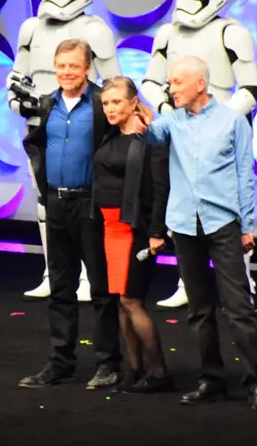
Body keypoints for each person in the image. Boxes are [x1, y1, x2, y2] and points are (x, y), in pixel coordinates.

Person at [134, 54, 257, 412]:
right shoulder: (172, 121)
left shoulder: (232, 121)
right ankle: (211, 379)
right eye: (170, 82)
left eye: (177, 82)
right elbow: (152, 134)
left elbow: (244, 175)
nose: (171, 88)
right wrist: (142, 123)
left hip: (222, 224)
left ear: (200, 83)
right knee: (199, 309)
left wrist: (247, 226)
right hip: (184, 224)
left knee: (238, 307)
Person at [18, 38, 122, 390]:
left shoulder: (101, 103)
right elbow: (37, 146)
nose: (66, 72)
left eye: (74, 66)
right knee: (60, 287)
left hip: (91, 205)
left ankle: (108, 364)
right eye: (61, 66)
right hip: (56, 205)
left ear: (88, 68)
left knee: (102, 289)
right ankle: (60, 363)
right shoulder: (48, 103)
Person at [94, 76, 172, 393]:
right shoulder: (109, 133)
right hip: (110, 228)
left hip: (136, 230)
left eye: (116, 102)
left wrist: (156, 233)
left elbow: (161, 190)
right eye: (106, 103)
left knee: (131, 300)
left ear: (133, 102)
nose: (110, 108)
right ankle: (135, 369)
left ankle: (160, 373)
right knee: (121, 301)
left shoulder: (149, 139)